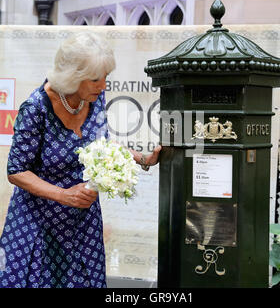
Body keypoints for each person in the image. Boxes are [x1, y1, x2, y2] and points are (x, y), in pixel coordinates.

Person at [0, 31, 161, 288]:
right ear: (72, 77)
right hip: (38, 224)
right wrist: (65, 196)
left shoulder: (92, 98)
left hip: (81, 222)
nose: (104, 85)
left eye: (106, 77)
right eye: (96, 79)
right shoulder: (35, 108)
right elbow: (16, 171)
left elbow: (100, 143)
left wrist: (143, 158)